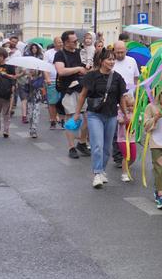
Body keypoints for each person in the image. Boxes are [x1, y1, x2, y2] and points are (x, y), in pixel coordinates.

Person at [74, 48, 128, 189]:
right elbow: (82, 95)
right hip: (94, 115)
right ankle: (97, 173)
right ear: (101, 61)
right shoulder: (91, 76)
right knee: (97, 145)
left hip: (111, 115)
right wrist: (77, 113)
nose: (112, 61)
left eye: (113, 59)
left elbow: (121, 98)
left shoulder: (117, 78)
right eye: (109, 59)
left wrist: (126, 114)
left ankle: (102, 170)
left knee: (106, 148)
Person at [54, 31, 91, 159]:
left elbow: (81, 68)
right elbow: (61, 71)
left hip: (80, 88)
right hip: (68, 90)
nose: (77, 43)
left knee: (87, 117)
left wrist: (85, 68)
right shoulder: (59, 55)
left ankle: (82, 142)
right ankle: (71, 147)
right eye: (74, 41)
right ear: (65, 42)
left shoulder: (77, 53)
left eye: (76, 40)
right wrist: (78, 69)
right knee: (71, 119)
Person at [0, 48, 17, 138]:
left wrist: (13, 86)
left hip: (6, 91)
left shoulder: (9, 66)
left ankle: (6, 130)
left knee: (6, 112)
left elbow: (13, 77)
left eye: (0, 56)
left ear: (4, 56)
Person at [44, 37, 65, 130]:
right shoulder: (48, 53)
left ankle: (62, 120)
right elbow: (45, 67)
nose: (60, 44)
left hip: (64, 80)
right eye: (59, 42)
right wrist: (47, 78)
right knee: (52, 102)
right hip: (52, 80)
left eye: (61, 42)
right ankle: (53, 120)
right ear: (54, 43)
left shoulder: (65, 52)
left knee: (63, 101)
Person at [117, 94, 136, 182]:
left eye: (132, 106)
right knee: (126, 156)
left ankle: (126, 167)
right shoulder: (121, 112)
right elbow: (120, 121)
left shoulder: (135, 113)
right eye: (127, 106)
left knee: (133, 157)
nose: (130, 108)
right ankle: (124, 174)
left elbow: (138, 121)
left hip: (132, 139)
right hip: (123, 139)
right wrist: (125, 119)